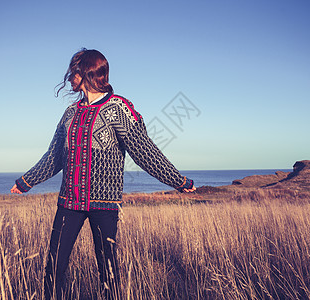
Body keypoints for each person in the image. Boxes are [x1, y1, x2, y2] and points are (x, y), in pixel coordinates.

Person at [11, 48, 196, 299]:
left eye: (72, 72)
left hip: (105, 205)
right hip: (69, 204)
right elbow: (54, 156)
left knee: (107, 273)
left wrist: (178, 180)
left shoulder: (118, 108)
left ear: (84, 72)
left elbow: (144, 151)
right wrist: (26, 181)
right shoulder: (70, 113)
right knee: (53, 268)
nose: (68, 77)